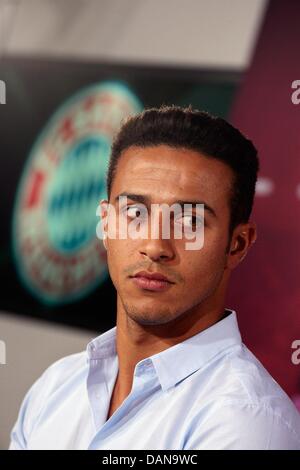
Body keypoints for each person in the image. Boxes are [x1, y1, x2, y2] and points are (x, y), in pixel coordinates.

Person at [10, 105, 300, 449]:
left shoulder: (246, 422)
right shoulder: (56, 386)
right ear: (106, 223)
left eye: (190, 221)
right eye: (134, 213)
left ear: (237, 245)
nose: (154, 245)